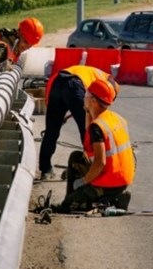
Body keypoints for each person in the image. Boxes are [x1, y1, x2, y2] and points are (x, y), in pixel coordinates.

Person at [52, 78, 134, 213]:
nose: (83, 98)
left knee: (68, 205)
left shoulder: (98, 127)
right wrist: (87, 110)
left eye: (86, 95)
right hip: (123, 178)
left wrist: (83, 181)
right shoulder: (114, 118)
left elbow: (100, 162)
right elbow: (88, 143)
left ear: (94, 101)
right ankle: (114, 196)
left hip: (109, 181)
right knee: (77, 157)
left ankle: (105, 198)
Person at [39, 65, 118, 180]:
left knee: (51, 131)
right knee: (88, 131)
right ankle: (90, 169)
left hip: (57, 83)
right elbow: (94, 106)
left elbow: (53, 83)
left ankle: (45, 170)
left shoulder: (90, 72)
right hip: (75, 86)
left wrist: (54, 115)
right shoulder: (105, 82)